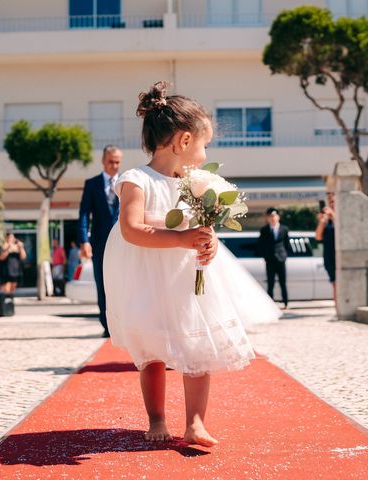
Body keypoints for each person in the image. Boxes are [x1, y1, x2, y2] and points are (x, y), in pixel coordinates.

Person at [103, 81, 280, 447]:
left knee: (199, 346)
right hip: (147, 276)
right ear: (184, 141)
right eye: (204, 145)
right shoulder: (137, 180)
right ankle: (156, 418)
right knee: (152, 351)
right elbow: (132, 229)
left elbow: (201, 226)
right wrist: (182, 238)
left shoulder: (195, 182)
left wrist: (207, 241)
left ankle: (195, 423)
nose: (204, 154)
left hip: (186, 278)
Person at [78, 144, 122, 337]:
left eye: (118, 162)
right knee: (102, 284)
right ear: (104, 161)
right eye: (111, 162)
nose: (114, 166)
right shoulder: (92, 184)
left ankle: (123, 324)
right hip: (99, 244)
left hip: (124, 244)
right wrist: (84, 241)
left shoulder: (127, 182)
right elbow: (83, 215)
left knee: (123, 284)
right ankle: (107, 325)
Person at [257, 207, 290, 309]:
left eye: (274, 215)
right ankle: (270, 304)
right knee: (270, 283)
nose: (272, 218)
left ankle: (285, 303)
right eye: (270, 216)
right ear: (267, 218)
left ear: (278, 217)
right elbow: (260, 245)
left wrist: (284, 256)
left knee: (283, 282)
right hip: (270, 260)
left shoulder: (284, 229)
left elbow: (287, 244)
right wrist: (265, 256)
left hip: (281, 259)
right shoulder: (264, 230)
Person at [316, 192, 336, 303]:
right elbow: (318, 237)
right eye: (330, 202)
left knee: (340, 284)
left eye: (334, 202)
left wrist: (333, 216)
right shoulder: (326, 219)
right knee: (334, 284)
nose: (332, 205)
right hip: (329, 254)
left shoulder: (341, 217)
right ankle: (338, 310)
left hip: (340, 255)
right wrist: (322, 222)